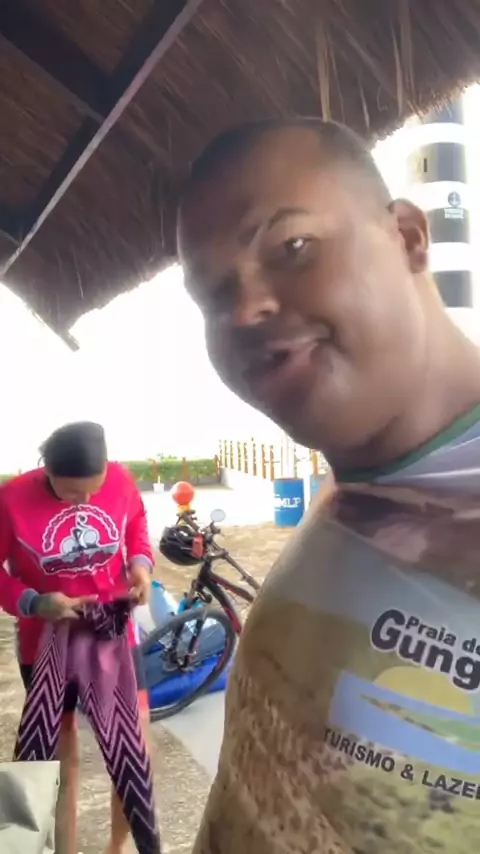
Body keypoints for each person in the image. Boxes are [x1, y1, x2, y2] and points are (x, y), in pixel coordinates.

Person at [177, 119, 480, 852]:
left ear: (408, 237)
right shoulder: (350, 489)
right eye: (213, 294)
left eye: (292, 247)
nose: (243, 309)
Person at [0, 422, 155, 854]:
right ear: (46, 470)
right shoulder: (12, 499)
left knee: (133, 747)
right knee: (59, 757)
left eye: (93, 490)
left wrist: (141, 566)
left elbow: (136, 525)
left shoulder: (120, 480)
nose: (85, 501)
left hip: (112, 631)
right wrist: (34, 601)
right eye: (71, 493)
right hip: (47, 639)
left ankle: (118, 847)